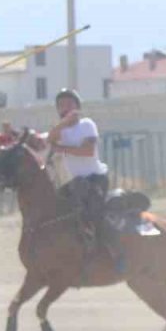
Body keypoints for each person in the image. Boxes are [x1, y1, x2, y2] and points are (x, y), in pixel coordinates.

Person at [46, 89, 123, 272]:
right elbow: (50, 141)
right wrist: (62, 125)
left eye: (68, 103)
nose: (64, 107)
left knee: (93, 214)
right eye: (61, 105)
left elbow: (87, 151)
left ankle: (116, 253)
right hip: (75, 183)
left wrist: (61, 148)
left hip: (95, 179)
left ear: (77, 107)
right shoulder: (60, 130)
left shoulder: (87, 124)